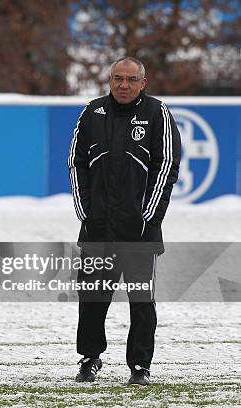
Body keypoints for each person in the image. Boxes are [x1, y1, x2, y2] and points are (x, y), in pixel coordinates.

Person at [68, 57, 181, 386]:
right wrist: (85, 211)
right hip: (97, 228)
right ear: (109, 79)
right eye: (118, 78)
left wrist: (148, 217)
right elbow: (76, 163)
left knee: (142, 302)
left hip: (140, 231)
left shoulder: (157, 113)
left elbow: (167, 166)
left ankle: (139, 365)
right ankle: (90, 358)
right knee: (92, 298)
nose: (123, 85)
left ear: (142, 83)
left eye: (131, 79)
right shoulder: (92, 112)